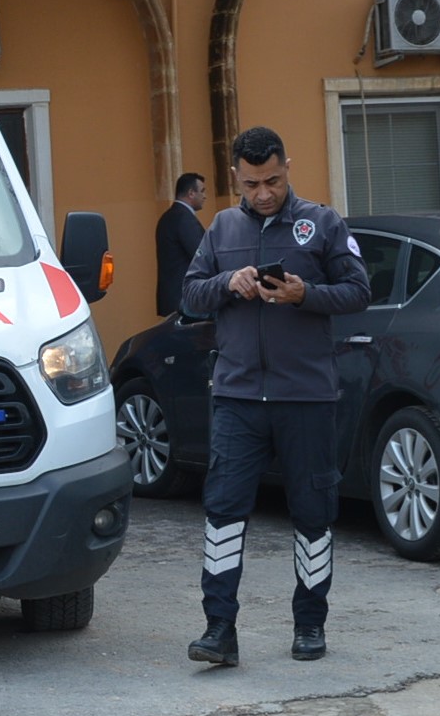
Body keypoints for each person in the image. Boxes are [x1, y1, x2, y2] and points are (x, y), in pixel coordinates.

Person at [179, 126, 369, 667]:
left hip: (306, 397)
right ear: (235, 177)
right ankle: (219, 630)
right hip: (237, 396)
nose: (263, 193)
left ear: (288, 167)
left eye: (273, 181)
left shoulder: (323, 223)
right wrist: (227, 283)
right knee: (223, 511)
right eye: (251, 184)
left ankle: (310, 625)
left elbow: (358, 291)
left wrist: (304, 293)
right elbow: (189, 295)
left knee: (313, 512)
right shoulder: (222, 227)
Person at [153, 172, 207, 317]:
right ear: (191, 193)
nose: (205, 196)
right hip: (185, 300)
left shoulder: (168, 216)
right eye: (202, 191)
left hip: (172, 298)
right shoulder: (184, 218)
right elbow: (202, 256)